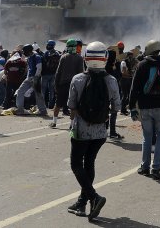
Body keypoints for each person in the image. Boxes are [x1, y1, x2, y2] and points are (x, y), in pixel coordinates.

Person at [66, 41, 120, 221]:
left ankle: (94, 197)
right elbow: (116, 106)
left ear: (86, 58)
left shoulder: (78, 79)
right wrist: (103, 115)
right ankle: (82, 203)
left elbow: (71, 106)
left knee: (76, 164)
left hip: (80, 130)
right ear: (105, 58)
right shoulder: (111, 80)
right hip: (100, 133)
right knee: (89, 163)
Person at [129, 40, 160, 180]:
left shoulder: (142, 65)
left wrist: (131, 107)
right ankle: (156, 169)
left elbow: (134, 87)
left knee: (147, 137)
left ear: (148, 49)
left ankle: (145, 167)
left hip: (145, 107)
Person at [51, 39, 85, 127]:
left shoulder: (63, 57)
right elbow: (81, 73)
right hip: (74, 85)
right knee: (73, 106)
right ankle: (72, 124)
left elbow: (58, 73)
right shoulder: (79, 58)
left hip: (63, 85)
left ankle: (54, 122)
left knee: (58, 104)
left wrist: (56, 85)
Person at [14, 44, 47, 116]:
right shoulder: (29, 58)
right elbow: (29, 68)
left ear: (29, 51)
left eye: (24, 51)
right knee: (20, 91)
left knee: (38, 94)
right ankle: (20, 109)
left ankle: (43, 111)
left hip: (35, 78)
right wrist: (28, 77)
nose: (23, 53)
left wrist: (36, 77)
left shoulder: (37, 57)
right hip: (29, 78)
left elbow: (39, 68)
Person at [41, 40, 61, 109]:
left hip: (45, 74)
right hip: (53, 74)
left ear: (49, 45)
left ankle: (43, 104)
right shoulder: (57, 53)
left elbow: (43, 63)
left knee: (43, 90)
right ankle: (51, 105)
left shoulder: (46, 53)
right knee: (51, 90)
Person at [119, 50, 135, 116]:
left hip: (128, 79)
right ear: (128, 56)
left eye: (132, 55)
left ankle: (125, 109)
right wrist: (130, 74)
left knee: (129, 95)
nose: (131, 57)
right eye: (130, 55)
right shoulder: (124, 62)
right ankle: (122, 110)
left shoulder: (129, 62)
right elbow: (123, 72)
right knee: (124, 95)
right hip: (124, 80)